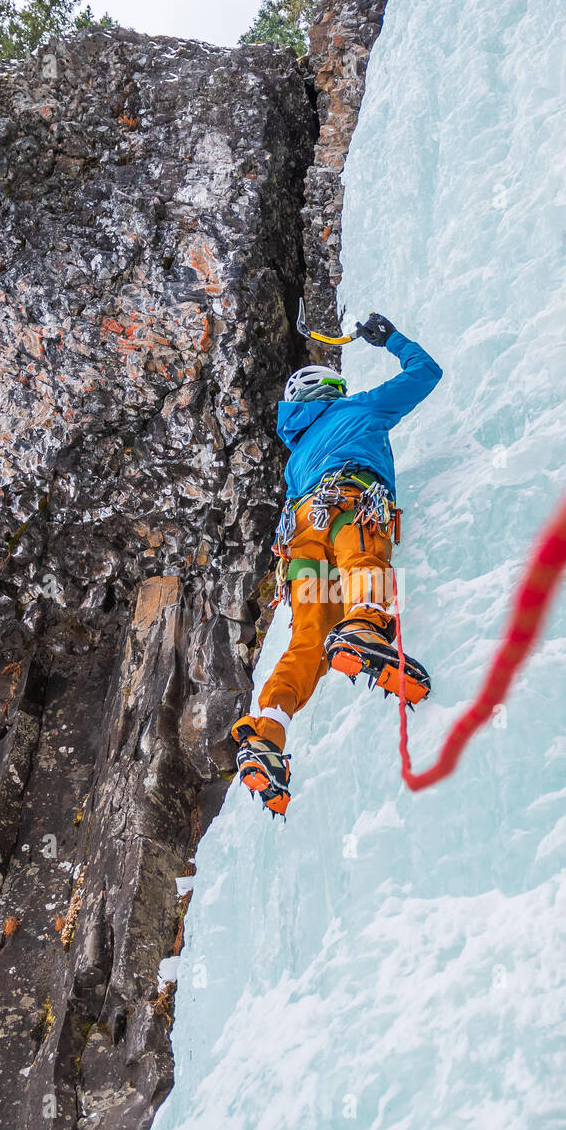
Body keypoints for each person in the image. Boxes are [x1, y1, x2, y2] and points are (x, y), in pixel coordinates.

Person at [232, 313, 443, 816]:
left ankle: (267, 730)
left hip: (300, 538)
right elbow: (425, 374)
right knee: (362, 560)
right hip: (346, 501)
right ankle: (364, 629)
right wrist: (389, 338)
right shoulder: (359, 408)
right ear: (331, 390)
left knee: (306, 640)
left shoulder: (296, 454)